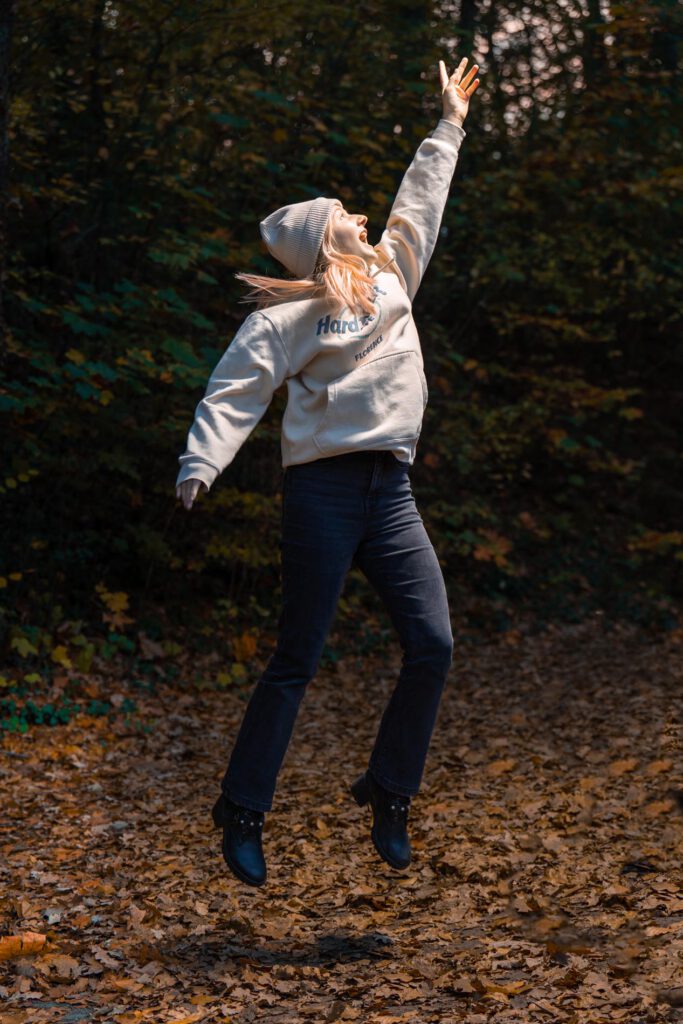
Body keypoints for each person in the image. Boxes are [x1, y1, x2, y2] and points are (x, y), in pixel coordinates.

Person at [176, 57, 480, 887]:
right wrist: (200, 464)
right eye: (343, 213)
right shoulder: (289, 319)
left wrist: (448, 121)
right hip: (322, 494)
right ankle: (240, 809)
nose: (359, 212)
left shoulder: (392, 275)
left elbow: (420, 201)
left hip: (392, 495)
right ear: (322, 239)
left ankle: (387, 788)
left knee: (433, 644)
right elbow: (236, 389)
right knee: (296, 657)